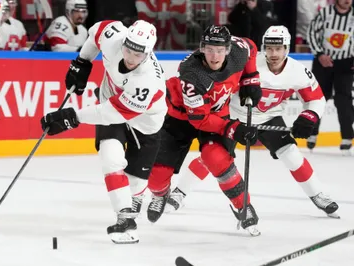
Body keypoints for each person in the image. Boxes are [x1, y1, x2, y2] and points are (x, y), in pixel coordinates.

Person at [166, 25, 340, 220]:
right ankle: (179, 192)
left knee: (291, 155)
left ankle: (318, 194)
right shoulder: (250, 63)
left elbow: (316, 98)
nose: (274, 53)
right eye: (270, 48)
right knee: (213, 157)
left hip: (270, 117)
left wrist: (310, 116)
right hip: (234, 115)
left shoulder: (298, 72)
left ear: (287, 48)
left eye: (279, 48)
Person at [40, 20, 167, 244]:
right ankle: (125, 219)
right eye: (128, 48)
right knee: (111, 158)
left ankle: (138, 196)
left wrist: (72, 118)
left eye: (137, 55)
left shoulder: (149, 82)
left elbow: (111, 113)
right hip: (111, 104)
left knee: (135, 185)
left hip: (145, 123)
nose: (129, 57)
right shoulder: (114, 36)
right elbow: (94, 34)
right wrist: (82, 61)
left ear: (148, 53)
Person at [144, 25, 263, 236]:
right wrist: (232, 129)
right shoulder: (192, 73)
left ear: (228, 49)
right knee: (156, 177)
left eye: (219, 50)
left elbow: (251, 46)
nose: (214, 56)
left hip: (215, 114)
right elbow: (199, 119)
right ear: (201, 48)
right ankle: (160, 195)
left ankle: (242, 205)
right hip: (181, 116)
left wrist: (251, 77)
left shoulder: (238, 51)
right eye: (209, 49)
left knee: (216, 158)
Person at [307, 0, 354, 154]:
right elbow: (312, 32)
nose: (347, 1)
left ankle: (347, 137)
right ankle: (312, 133)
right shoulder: (325, 13)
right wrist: (319, 54)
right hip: (323, 62)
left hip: (346, 63)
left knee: (344, 99)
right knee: (318, 97)